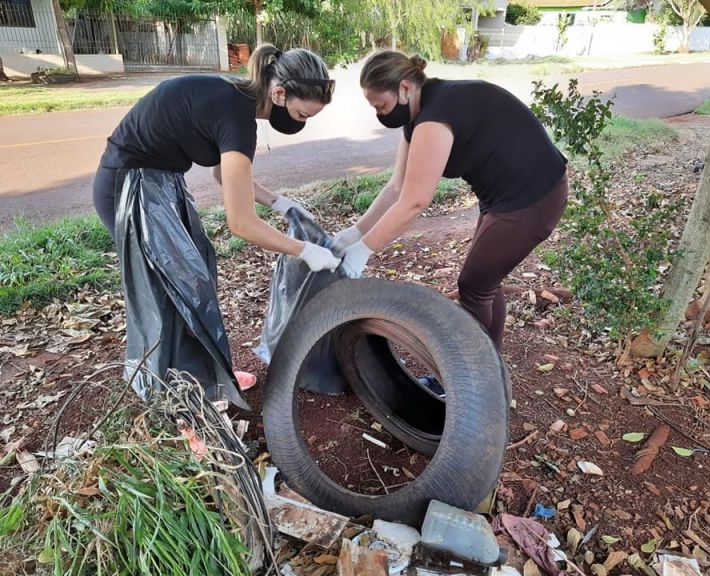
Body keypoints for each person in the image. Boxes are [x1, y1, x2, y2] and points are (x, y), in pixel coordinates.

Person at [92, 44, 339, 403]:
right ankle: (172, 395)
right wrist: (306, 251)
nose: (300, 123)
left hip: (159, 181)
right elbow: (241, 223)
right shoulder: (236, 114)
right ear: (280, 93)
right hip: (128, 187)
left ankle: (202, 375)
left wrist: (280, 203)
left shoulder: (237, 99)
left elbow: (224, 175)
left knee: (194, 277)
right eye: (301, 115)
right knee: (170, 290)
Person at [334, 50, 568, 351]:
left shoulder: (435, 117)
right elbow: (396, 187)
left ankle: (474, 378)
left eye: (382, 105)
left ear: (404, 88)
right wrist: (355, 233)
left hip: (533, 199)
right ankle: (489, 369)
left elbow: (414, 202)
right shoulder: (419, 112)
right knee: (484, 281)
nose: (380, 114)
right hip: (505, 196)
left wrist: (363, 251)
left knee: (474, 286)